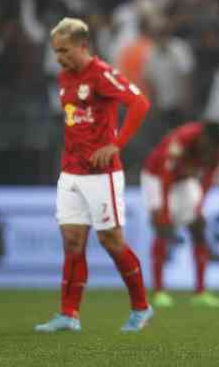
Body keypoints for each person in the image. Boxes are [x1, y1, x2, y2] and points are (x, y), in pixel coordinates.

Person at [34, 17, 153, 333]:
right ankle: (68, 314)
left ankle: (141, 308)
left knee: (110, 241)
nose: (60, 57)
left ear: (83, 46)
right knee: (72, 242)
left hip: (102, 175)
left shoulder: (101, 74)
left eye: (65, 50)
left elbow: (139, 103)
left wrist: (116, 145)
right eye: (56, 51)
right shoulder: (63, 78)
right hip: (71, 171)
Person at [141, 120, 219, 308]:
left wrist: (199, 206)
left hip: (183, 181)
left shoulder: (218, 149)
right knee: (162, 227)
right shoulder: (182, 138)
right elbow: (166, 174)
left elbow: (208, 178)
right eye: (208, 145)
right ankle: (159, 291)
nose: (209, 149)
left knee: (198, 225)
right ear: (203, 137)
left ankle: (200, 292)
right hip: (156, 176)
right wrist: (163, 211)